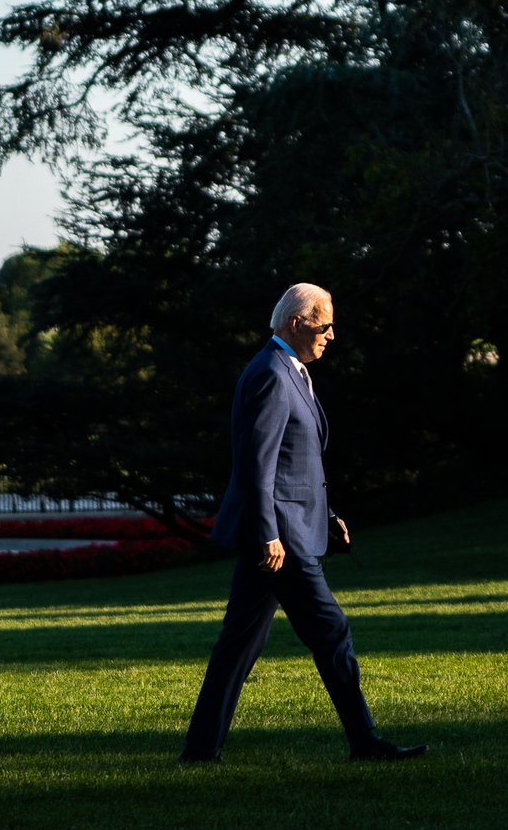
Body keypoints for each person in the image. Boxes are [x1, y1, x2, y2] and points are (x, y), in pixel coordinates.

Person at [179, 282, 426, 764]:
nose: (331, 335)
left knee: (239, 645)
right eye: (325, 324)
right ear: (297, 322)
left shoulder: (290, 371)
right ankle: (365, 742)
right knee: (331, 632)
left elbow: (296, 461)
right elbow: (257, 464)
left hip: (286, 530)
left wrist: (328, 514)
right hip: (281, 540)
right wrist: (270, 532)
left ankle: (200, 750)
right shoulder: (272, 373)